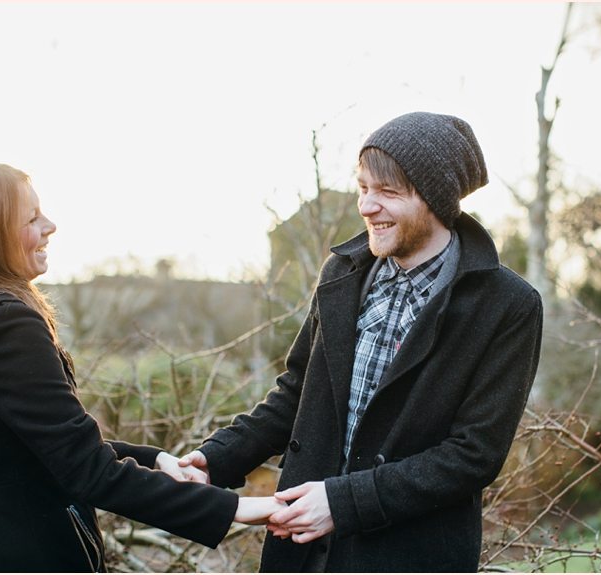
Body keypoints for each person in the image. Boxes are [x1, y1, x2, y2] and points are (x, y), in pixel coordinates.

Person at [171, 111, 544, 572]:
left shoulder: (506, 305)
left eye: (387, 192)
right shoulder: (343, 275)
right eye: (364, 188)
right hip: (300, 552)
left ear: (436, 200)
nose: (367, 206)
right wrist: (216, 460)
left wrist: (343, 502)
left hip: (409, 557)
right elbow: (296, 395)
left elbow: (473, 456)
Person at [0, 163, 286, 572]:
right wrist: (237, 508)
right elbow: (88, 470)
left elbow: (42, 446)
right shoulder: (5, 324)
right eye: (32, 218)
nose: (50, 225)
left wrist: (155, 459)